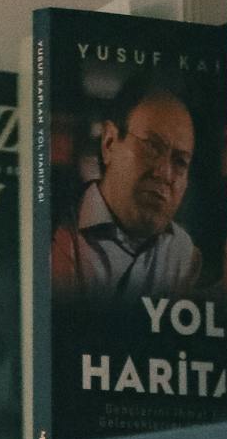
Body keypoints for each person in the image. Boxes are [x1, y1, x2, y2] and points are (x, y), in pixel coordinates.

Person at [51, 77, 203, 303]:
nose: (165, 173)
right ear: (109, 143)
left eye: (180, 162)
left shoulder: (184, 255)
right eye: (152, 147)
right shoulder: (54, 231)